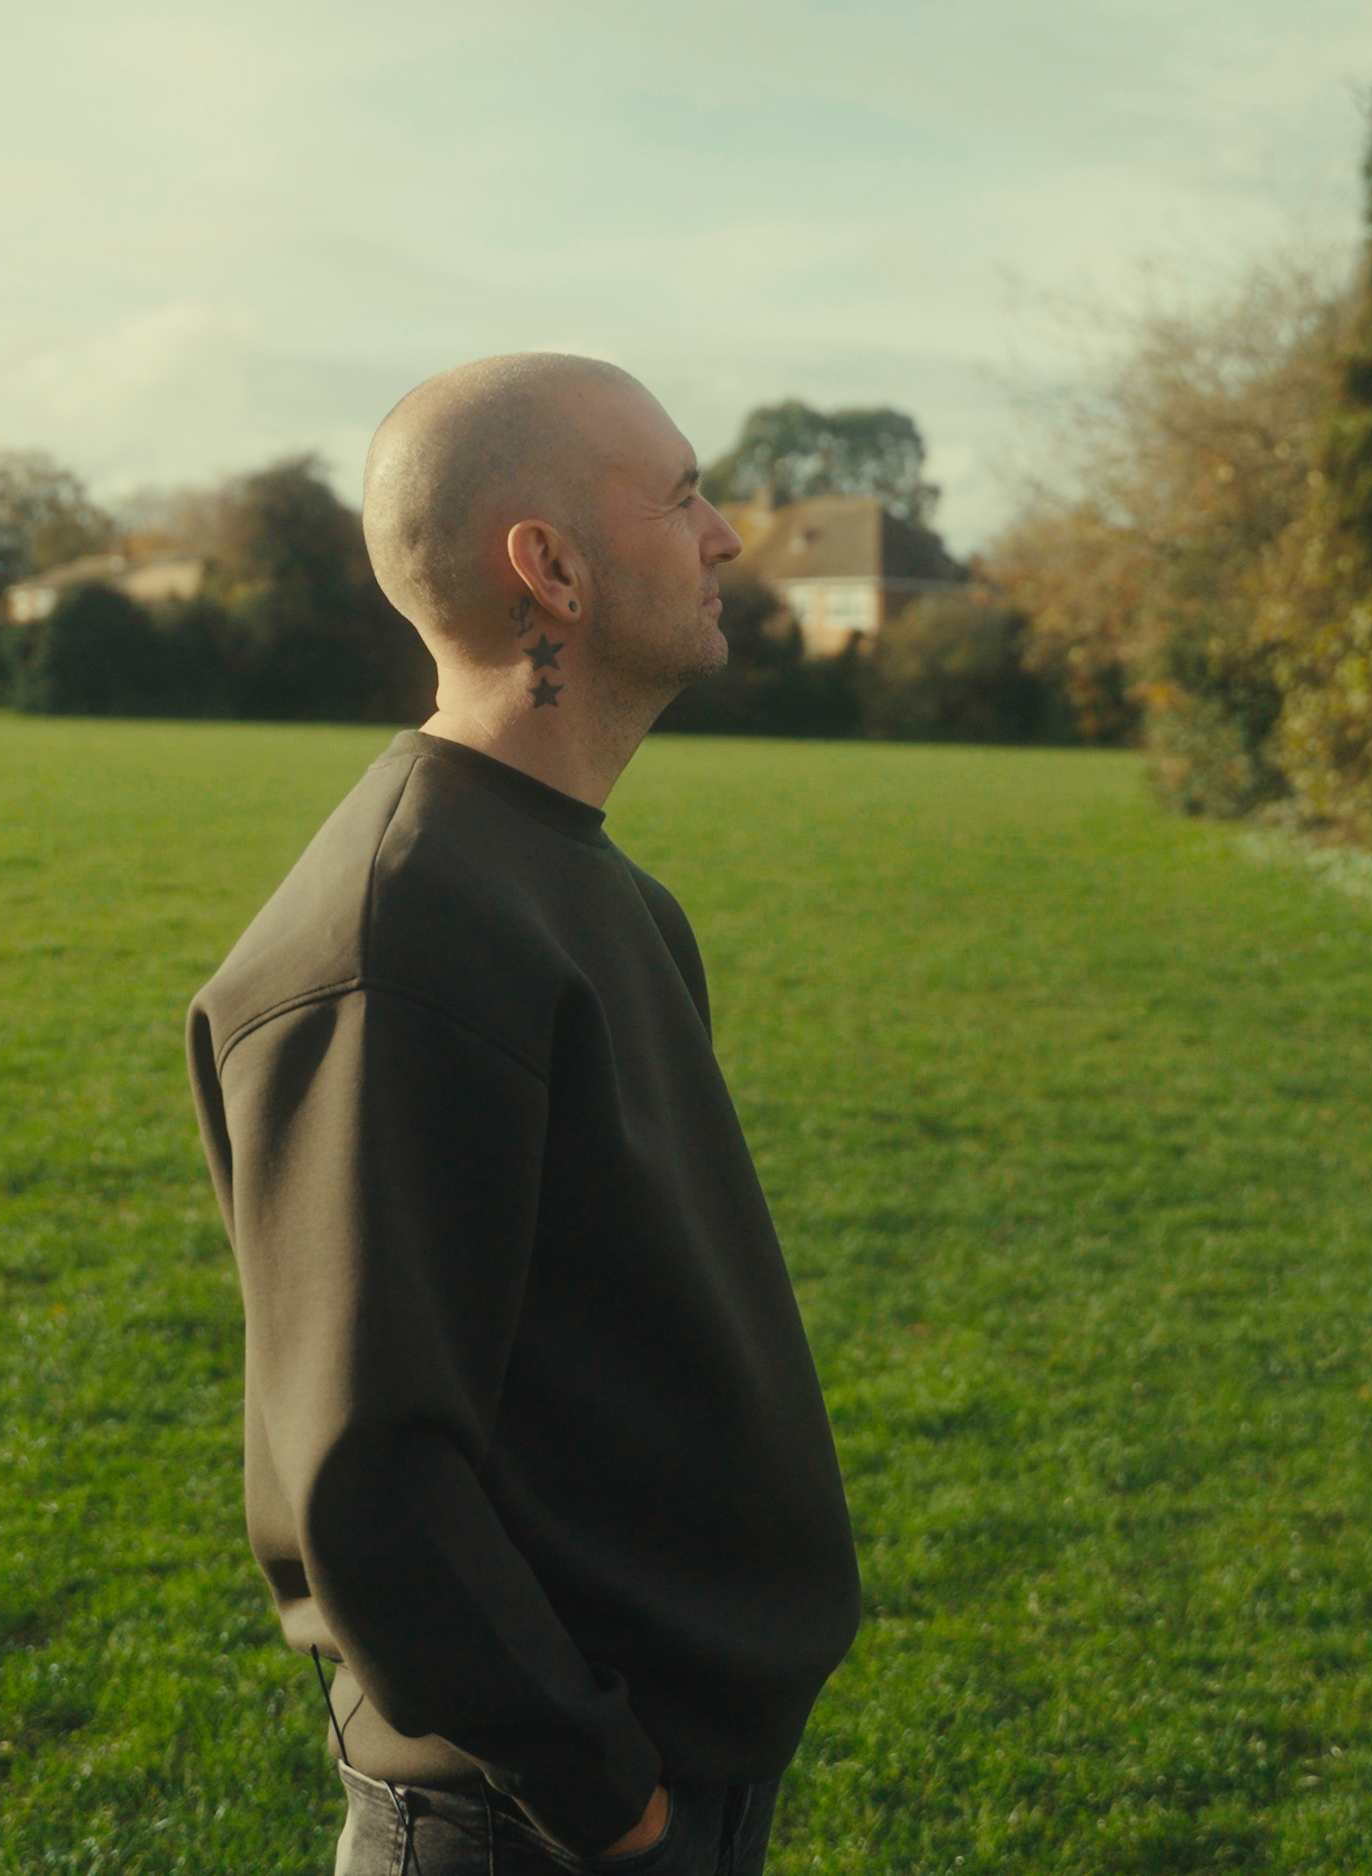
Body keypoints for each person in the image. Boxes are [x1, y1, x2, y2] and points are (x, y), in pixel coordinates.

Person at [185, 353, 861, 1876]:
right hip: (529, 1828)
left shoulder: (605, 892)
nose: (726, 535)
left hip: (664, 1795)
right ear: (546, 570)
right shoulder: (394, 943)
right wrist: (602, 1794)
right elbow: (368, 1479)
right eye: (683, 496)